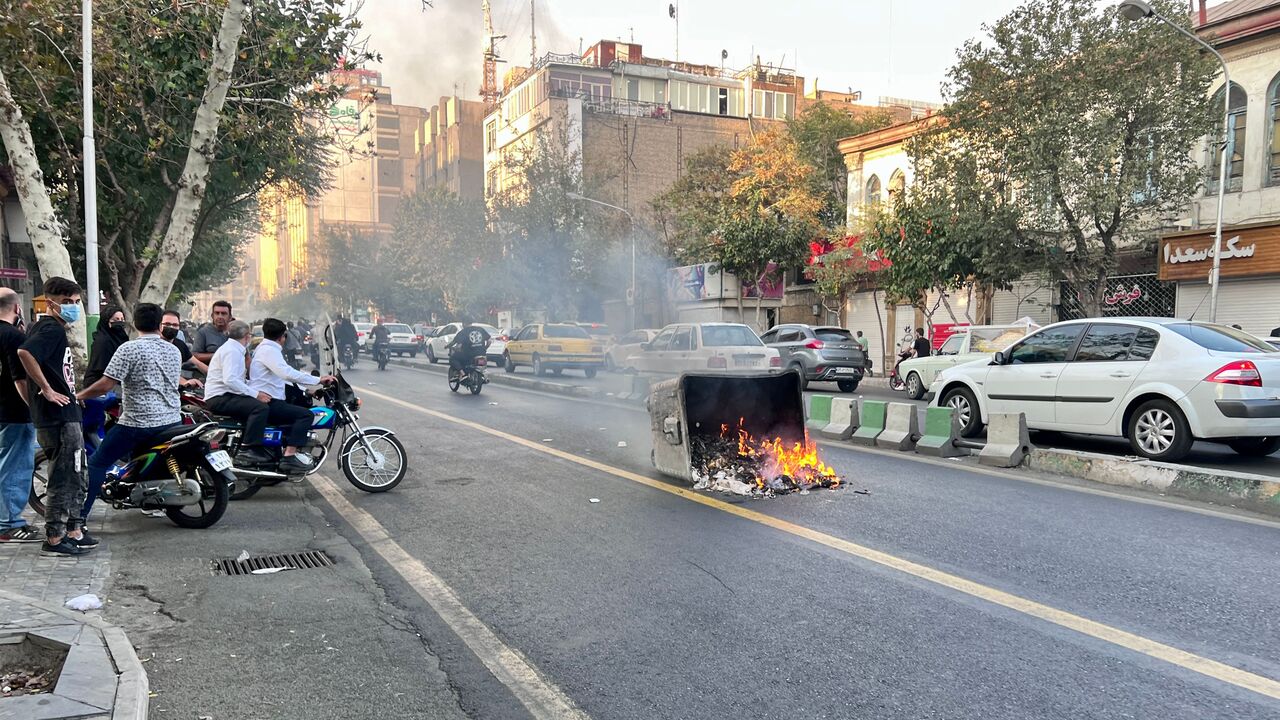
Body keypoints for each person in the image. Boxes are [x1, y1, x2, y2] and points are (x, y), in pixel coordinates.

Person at [77, 304, 204, 521]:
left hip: (137, 423)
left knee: (98, 462)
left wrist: (79, 396)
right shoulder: (173, 350)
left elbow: (106, 385)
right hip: (171, 420)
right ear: (159, 325)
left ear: (134, 324)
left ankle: (79, 517)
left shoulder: (128, 349)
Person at [18, 277, 90, 556]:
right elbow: (24, 353)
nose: (72, 307)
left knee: (75, 474)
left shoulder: (53, 329)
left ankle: (73, 530)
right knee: (62, 477)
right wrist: (47, 390)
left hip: (64, 413)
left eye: (75, 302)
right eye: (66, 302)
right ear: (50, 303)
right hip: (57, 418)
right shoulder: (50, 328)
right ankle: (56, 538)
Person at [249, 319, 336, 473]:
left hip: (268, 398)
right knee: (305, 415)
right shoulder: (270, 351)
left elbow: (281, 377)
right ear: (283, 336)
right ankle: (290, 455)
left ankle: (284, 449)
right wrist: (318, 380)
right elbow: (287, 373)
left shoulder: (264, 348)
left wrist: (307, 390)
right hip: (269, 401)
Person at [0, 289, 37, 543]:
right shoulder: (13, 337)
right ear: (17, 308)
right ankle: (9, 523)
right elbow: (20, 379)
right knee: (14, 468)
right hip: (14, 411)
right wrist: (33, 407)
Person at [84, 304, 128, 387]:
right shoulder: (103, 341)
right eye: (116, 319)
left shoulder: (121, 339)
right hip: (99, 386)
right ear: (107, 322)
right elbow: (101, 369)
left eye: (122, 319)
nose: (120, 322)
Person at [161, 310, 209, 375]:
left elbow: (197, 363)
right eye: (167, 324)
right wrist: (184, 382)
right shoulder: (153, 345)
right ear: (159, 325)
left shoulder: (180, 345)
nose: (171, 327)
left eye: (175, 325)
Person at [192, 300, 233, 364]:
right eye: (217, 313)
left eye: (223, 314)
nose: (220, 316)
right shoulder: (203, 333)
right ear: (212, 316)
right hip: (207, 371)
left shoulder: (236, 333)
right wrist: (217, 355)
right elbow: (195, 355)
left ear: (230, 317)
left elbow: (246, 356)